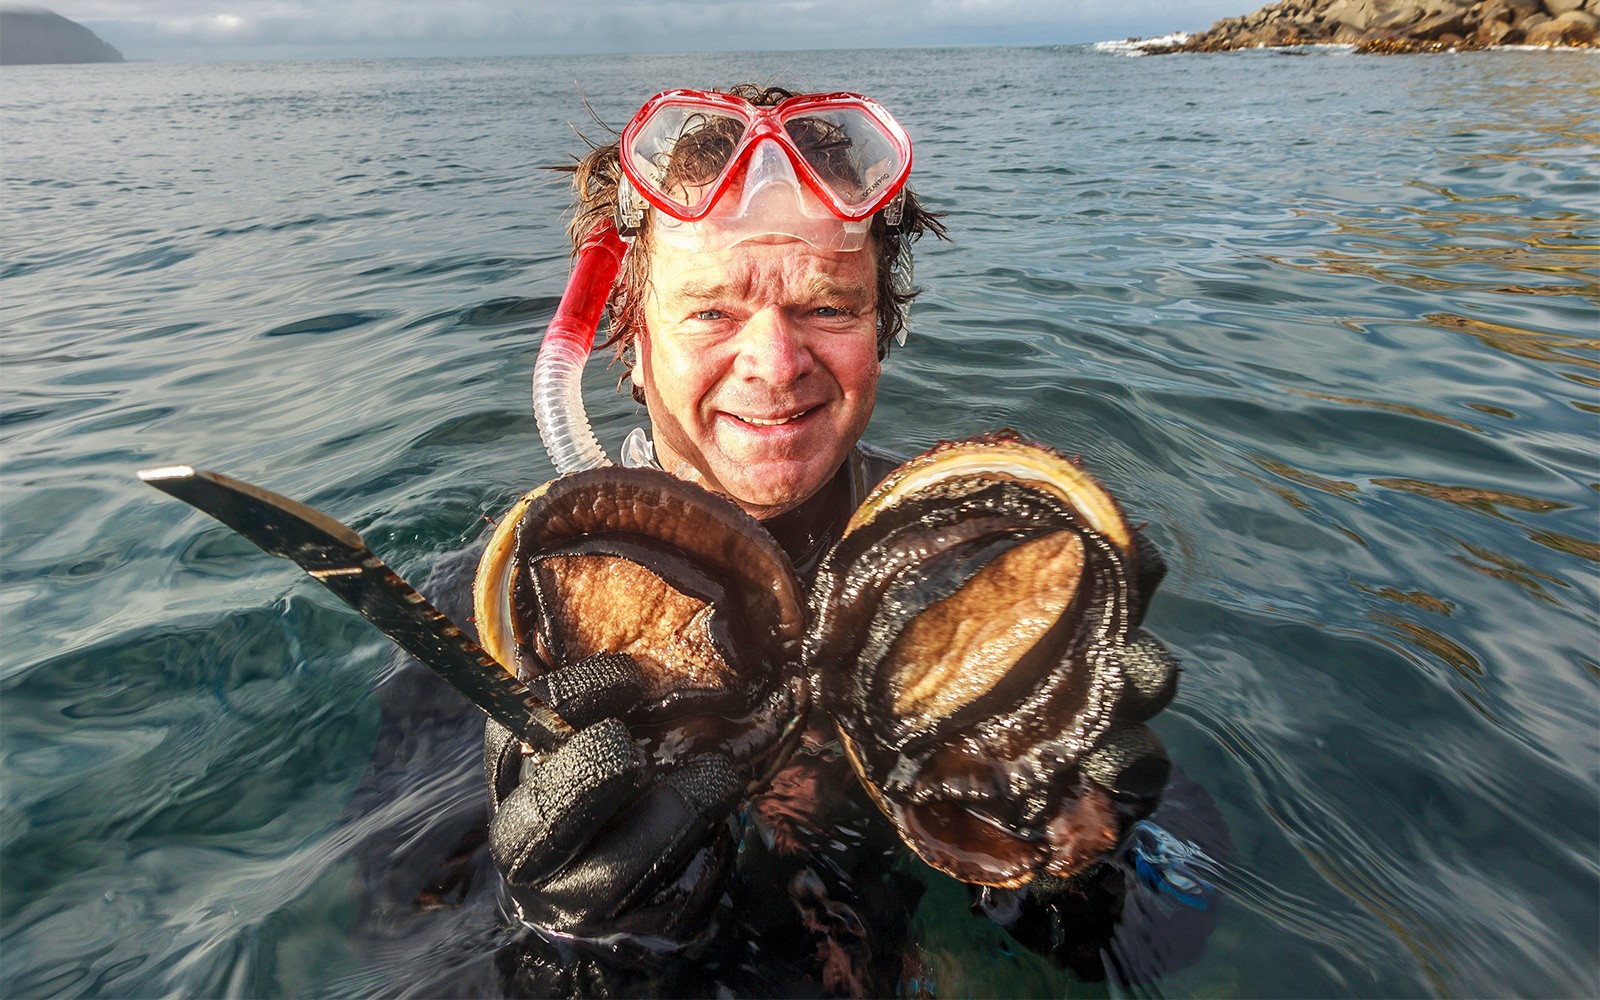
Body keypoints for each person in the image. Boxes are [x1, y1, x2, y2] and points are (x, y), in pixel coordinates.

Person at [355, 83, 1225, 999]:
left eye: (826, 309)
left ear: (879, 328)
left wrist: (1090, 865)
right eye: (711, 313)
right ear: (631, 334)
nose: (774, 364)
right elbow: (389, 928)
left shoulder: (979, 570)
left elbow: (1181, 931)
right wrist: (562, 940)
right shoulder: (491, 617)